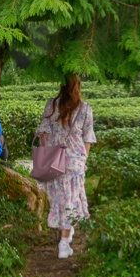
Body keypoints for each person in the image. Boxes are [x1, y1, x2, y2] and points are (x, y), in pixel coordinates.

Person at [35, 74, 96, 259]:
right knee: (71, 202)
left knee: (60, 201)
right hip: (75, 162)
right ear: (78, 86)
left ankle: (65, 238)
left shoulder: (51, 105)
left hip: (55, 160)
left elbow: (43, 135)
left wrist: (49, 152)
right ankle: (64, 242)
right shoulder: (85, 108)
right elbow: (88, 138)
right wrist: (83, 160)